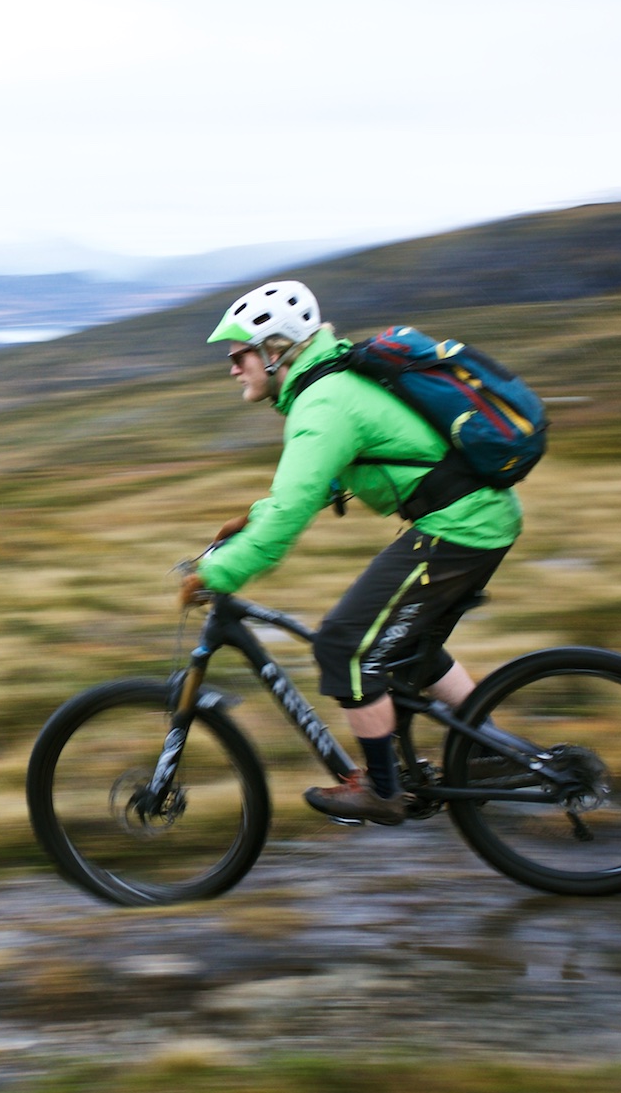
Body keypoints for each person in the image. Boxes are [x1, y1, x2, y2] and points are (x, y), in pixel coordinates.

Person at [176, 280, 522, 825]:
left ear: (275, 349)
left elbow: (288, 516)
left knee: (345, 646)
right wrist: (248, 523)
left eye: (239, 354)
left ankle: (383, 790)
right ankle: (494, 750)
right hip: (471, 519)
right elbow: (303, 493)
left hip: (461, 526)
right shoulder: (330, 381)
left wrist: (214, 574)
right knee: (406, 649)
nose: (232, 368)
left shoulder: (322, 404)